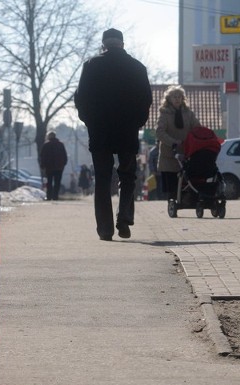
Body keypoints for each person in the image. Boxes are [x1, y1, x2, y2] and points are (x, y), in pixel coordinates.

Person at [74, 28, 153, 241]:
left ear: (104, 45)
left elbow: (80, 99)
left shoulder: (91, 66)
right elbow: (146, 100)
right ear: (122, 44)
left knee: (102, 178)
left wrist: (90, 121)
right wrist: (136, 123)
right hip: (127, 131)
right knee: (128, 176)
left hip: (100, 132)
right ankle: (124, 219)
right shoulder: (137, 67)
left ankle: (105, 228)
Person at [155, 85, 200, 201]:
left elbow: (197, 128)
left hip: (187, 153)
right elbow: (159, 132)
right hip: (170, 155)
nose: (177, 99)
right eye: (174, 96)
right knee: (172, 186)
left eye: (179, 96)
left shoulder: (189, 113)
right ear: (169, 99)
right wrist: (174, 142)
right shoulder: (164, 114)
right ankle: (174, 203)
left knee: (188, 181)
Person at [39, 131, 68, 201]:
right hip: (59, 168)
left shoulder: (46, 145)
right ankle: (55, 196)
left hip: (49, 167)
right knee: (57, 182)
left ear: (49, 136)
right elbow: (65, 156)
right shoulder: (60, 145)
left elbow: (42, 156)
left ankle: (49, 196)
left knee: (49, 182)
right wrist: (63, 164)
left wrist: (42, 165)